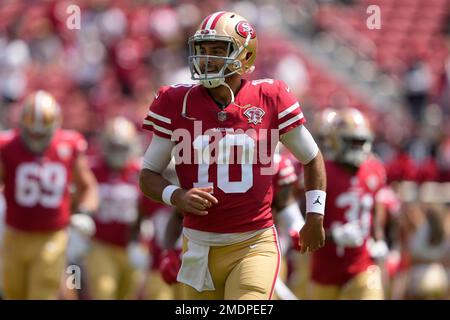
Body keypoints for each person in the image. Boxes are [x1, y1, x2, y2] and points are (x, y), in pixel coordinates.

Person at [139, 11, 327, 300]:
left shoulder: (270, 97)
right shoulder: (176, 102)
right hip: (198, 245)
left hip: (253, 243)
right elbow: (148, 175)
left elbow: (312, 158)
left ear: (245, 55)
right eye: (202, 50)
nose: (207, 58)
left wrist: (314, 217)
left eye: (217, 50)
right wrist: (177, 196)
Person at [0, 90, 98, 299]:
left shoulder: (69, 145)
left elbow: (88, 186)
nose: (36, 139)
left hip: (51, 236)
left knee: (42, 293)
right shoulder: (7, 146)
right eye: (32, 133)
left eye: (41, 133)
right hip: (14, 235)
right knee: (13, 293)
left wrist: (84, 213)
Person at [309, 107, 387, 300]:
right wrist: (333, 235)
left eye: (360, 142)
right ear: (336, 140)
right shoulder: (322, 172)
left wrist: (379, 238)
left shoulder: (374, 169)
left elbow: (377, 204)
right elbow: (305, 221)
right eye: (351, 142)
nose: (357, 148)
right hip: (326, 268)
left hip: (363, 264)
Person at [84, 116, 149, 300]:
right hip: (100, 244)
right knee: (103, 291)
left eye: (122, 147)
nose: (118, 152)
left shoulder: (140, 171)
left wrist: (145, 234)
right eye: (114, 147)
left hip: (132, 245)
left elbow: (150, 208)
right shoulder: (92, 169)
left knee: (128, 295)